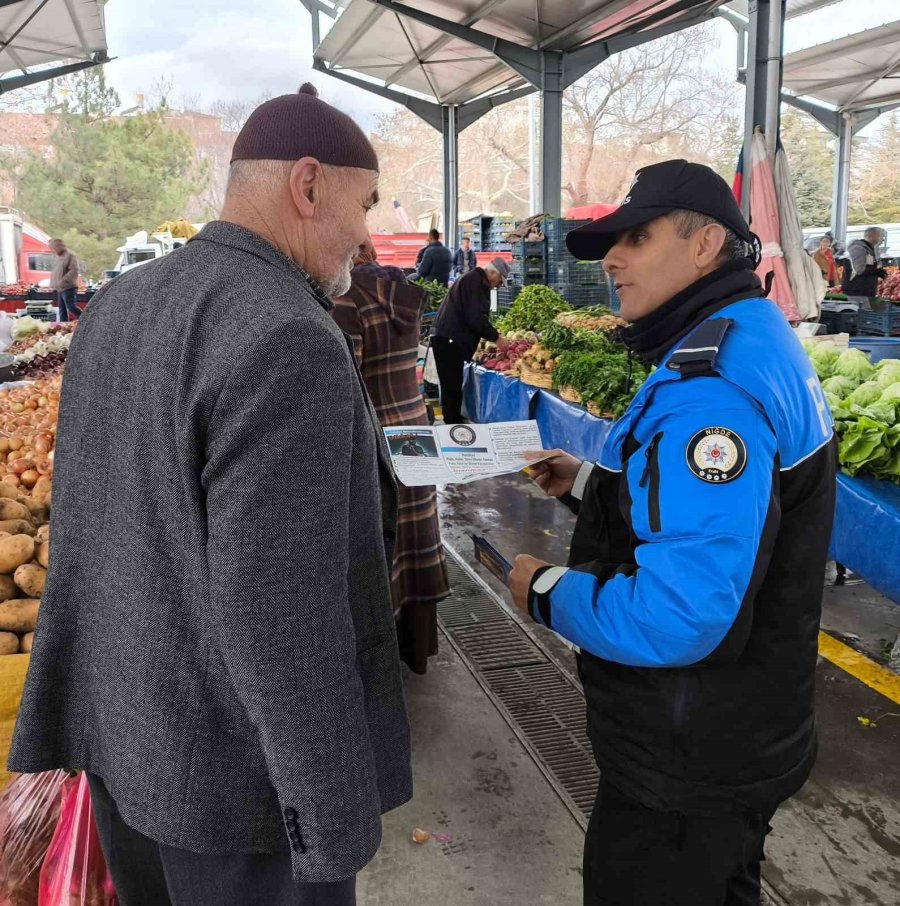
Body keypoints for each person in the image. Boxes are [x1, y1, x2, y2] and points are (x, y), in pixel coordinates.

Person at [9, 85, 412, 906]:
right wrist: (330, 821)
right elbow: (282, 614)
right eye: (363, 204)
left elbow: (93, 527)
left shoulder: (122, 304)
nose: (367, 235)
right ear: (307, 186)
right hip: (240, 801)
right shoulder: (289, 336)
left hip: (128, 754)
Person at [508, 159, 836, 906]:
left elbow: (681, 617)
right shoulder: (755, 337)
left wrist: (548, 592)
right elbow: (736, 519)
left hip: (689, 760)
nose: (614, 259)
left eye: (637, 237)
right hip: (750, 732)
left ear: (703, 245)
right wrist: (591, 485)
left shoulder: (709, 389)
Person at [332, 243, 450, 675]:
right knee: (417, 536)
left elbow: (346, 383)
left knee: (387, 544)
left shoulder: (346, 300)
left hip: (379, 432)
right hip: (414, 428)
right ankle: (415, 650)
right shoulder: (398, 291)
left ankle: (380, 660)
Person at [430, 257, 511, 424]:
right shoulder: (475, 282)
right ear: (493, 273)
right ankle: (452, 425)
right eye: (499, 282)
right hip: (449, 339)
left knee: (452, 384)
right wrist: (496, 337)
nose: (498, 286)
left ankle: (452, 421)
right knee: (451, 385)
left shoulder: (474, 279)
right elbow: (475, 317)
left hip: (448, 338)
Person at [844, 227, 887, 301]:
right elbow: (859, 270)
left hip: (864, 291)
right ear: (872, 235)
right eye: (881, 236)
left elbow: (869, 265)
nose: (883, 239)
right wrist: (877, 271)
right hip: (857, 292)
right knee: (861, 311)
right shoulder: (858, 248)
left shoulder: (868, 249)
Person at [49, 238, 81, 321]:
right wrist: (53, 283)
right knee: (61, 309)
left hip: (68, 287)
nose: (53, 250)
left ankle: (84, 319)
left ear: (59, 246)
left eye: (54, 247)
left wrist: (63, 281)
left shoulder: (70, 255)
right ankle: (63, 325)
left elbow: (74, 270)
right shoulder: (56, 257)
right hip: (59, 288)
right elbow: (55, 271)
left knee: (71, 307)